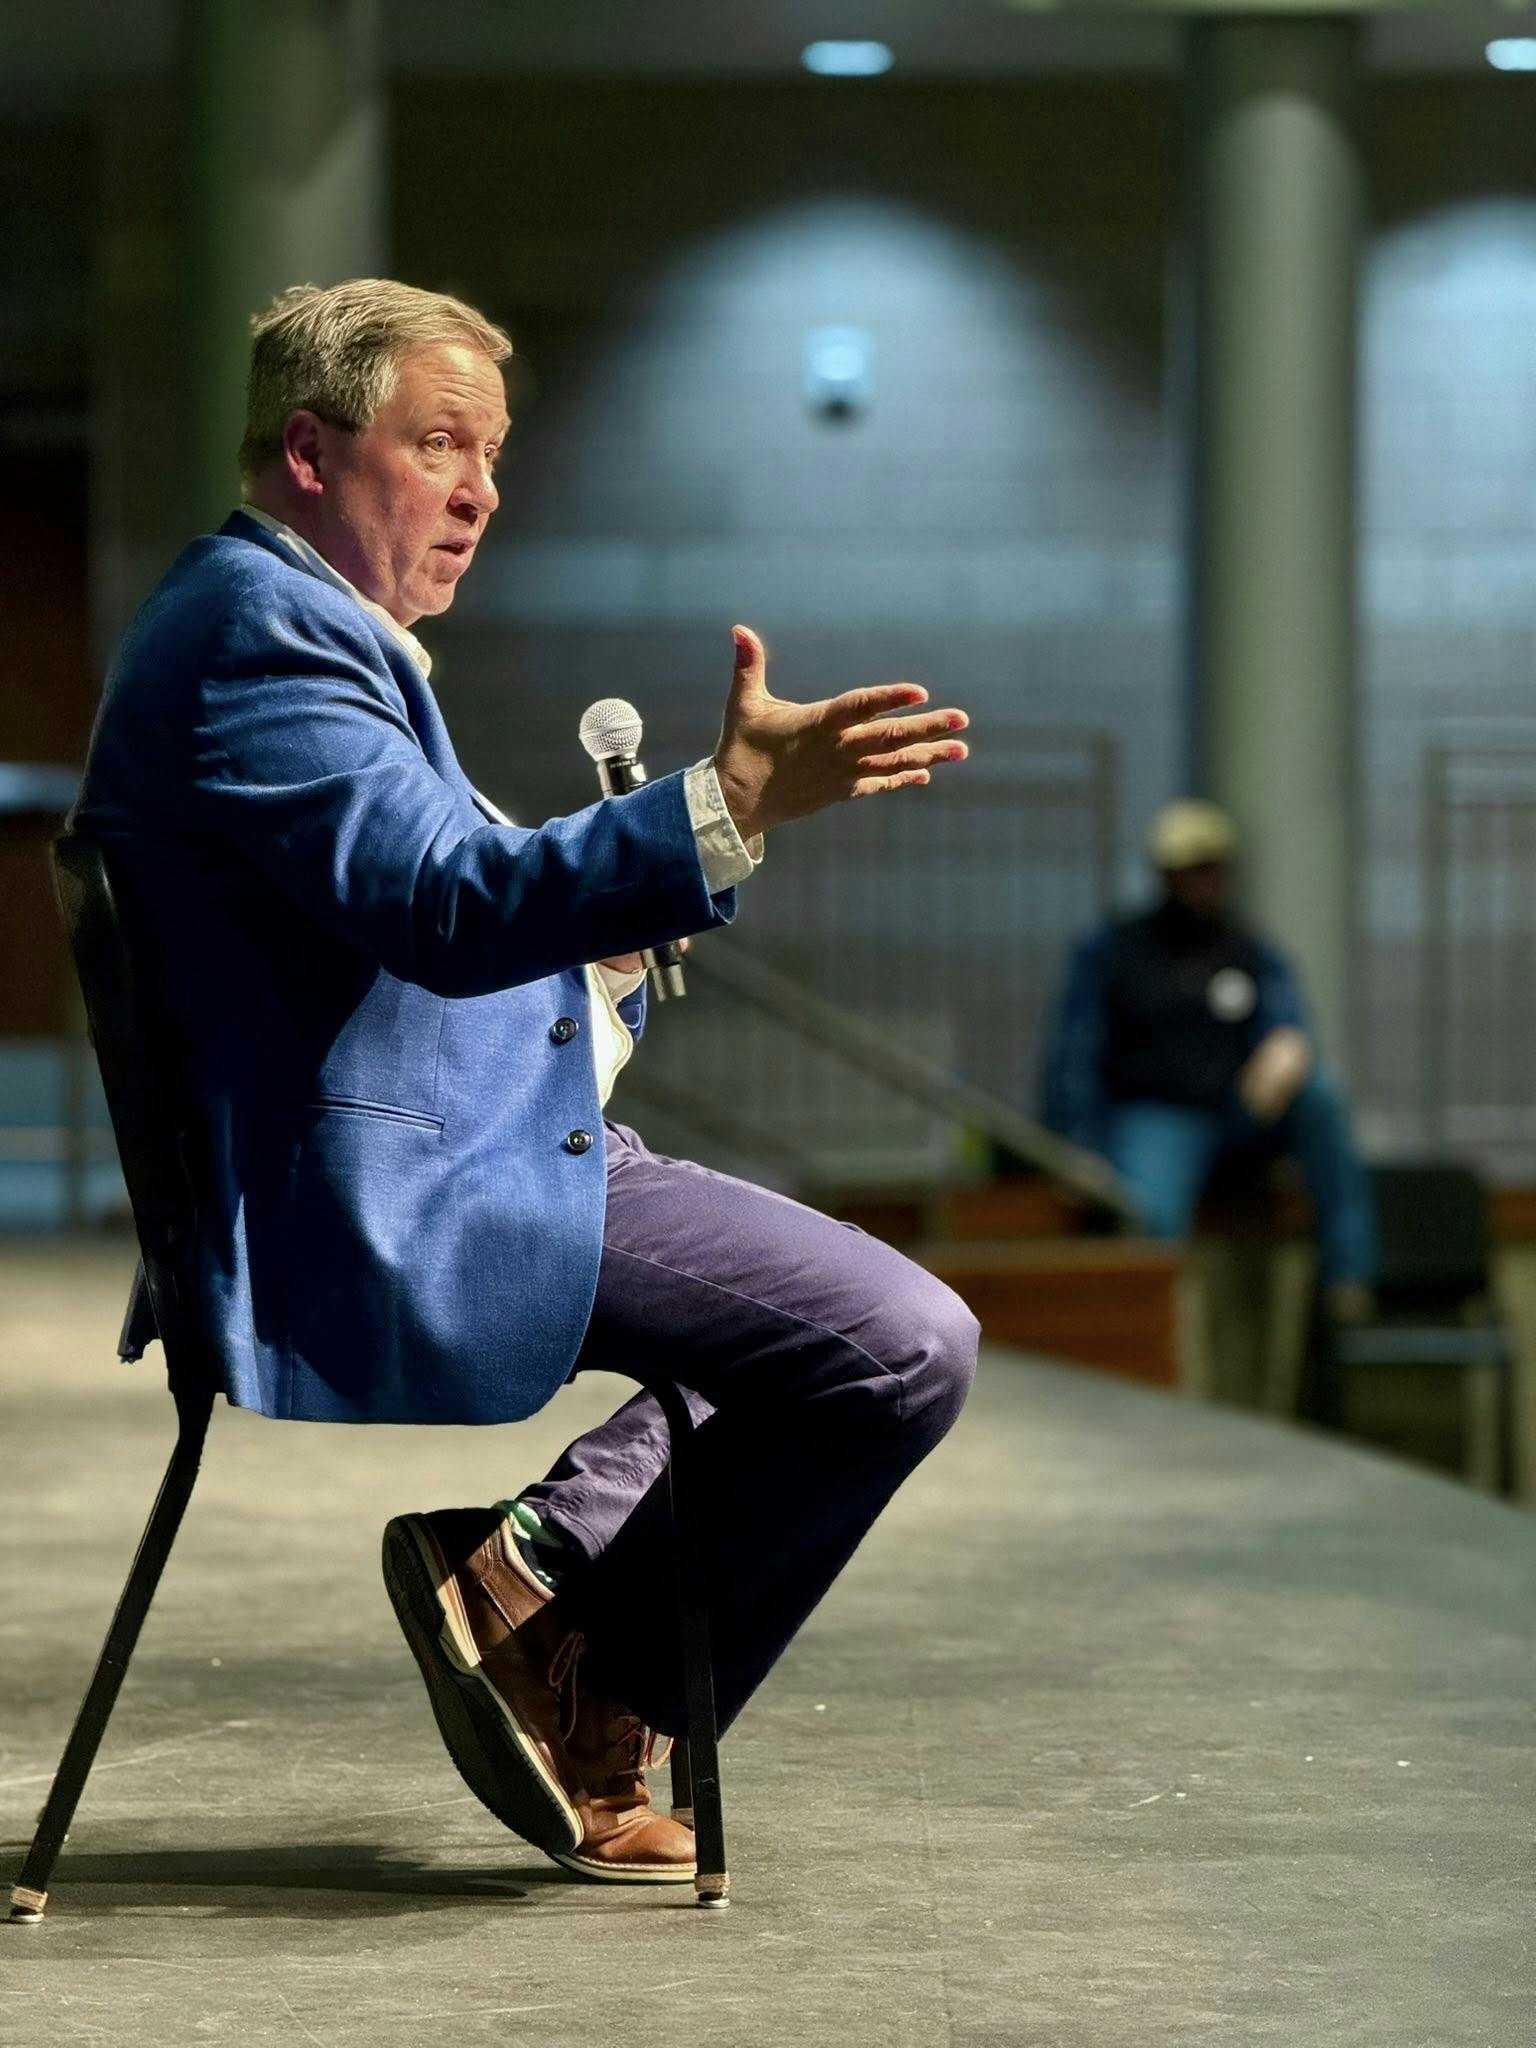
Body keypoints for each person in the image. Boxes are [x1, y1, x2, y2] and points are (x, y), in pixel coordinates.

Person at [74, 279, 979, 1885]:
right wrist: (721, 805)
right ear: (308, 449)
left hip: (438, 1153)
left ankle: (532, 1592)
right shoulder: (262, 635)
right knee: (901, 1345)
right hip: (375, 1204)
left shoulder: (301, 632)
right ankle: (568, 1650)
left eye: (492, 455)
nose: (482, 491)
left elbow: (417, 917)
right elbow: (440, 904)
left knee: (801, 1336)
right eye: (440, 446)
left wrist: (623, 940)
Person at [1040, 800, 1378, 1316]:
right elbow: (1075, 1053)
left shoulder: (1250, 948)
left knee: (1322, 1092)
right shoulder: (1115, 950)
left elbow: (1287, 1024)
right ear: (1167, 874)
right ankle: (1151, 1331)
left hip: (1239, 1112)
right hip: (1159, 1114)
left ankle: (1348, 1276)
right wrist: (1077, 1144)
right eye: (1194, 869)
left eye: (1215, 867)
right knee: (1148, 1217)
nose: (1207, 881)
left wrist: (1286, 1047)